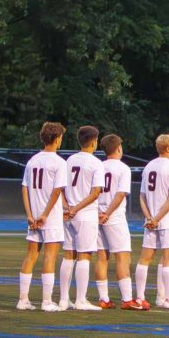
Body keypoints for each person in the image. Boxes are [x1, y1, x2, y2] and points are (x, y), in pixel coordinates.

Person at [18, 122, 67, 311]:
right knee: (50, 256)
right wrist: (45, 214)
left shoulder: (33, 161)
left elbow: (24, 188)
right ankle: (46, 301)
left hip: (34, 215)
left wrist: (30, 215)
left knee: (31, 255)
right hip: (50, 217)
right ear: (56, 139)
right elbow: (56, 192)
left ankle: (23, 299)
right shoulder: (59, 162)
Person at [135, 134, 169, 310]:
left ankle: (140, 297)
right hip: (167, 220)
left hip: (151, 221)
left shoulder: (149, 166)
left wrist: (149, 218)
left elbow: (142, 196)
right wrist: (156, 219)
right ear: (168, 148)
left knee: (145, 258)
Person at [59, 126, 105, 311]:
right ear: (93, 141)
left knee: (69, 254)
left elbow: (60, 188)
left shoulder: (69, 160)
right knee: (84, 255)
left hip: (68, 214)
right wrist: (77, 208)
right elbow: (95, 193)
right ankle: (80, 300)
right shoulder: (96, 163)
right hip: (85, 214)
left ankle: (63, 299)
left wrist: (68, 208)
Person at [95, 134, 138, 310]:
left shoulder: (98, 165)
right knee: (122, 257)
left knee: (102, 257)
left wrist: (100, 212)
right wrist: (108, 213)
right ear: (118, 148)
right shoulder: (123, 168)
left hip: (96, 214)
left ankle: (103, 298)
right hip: (114, 215)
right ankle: (127, 299)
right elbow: (120, 194)